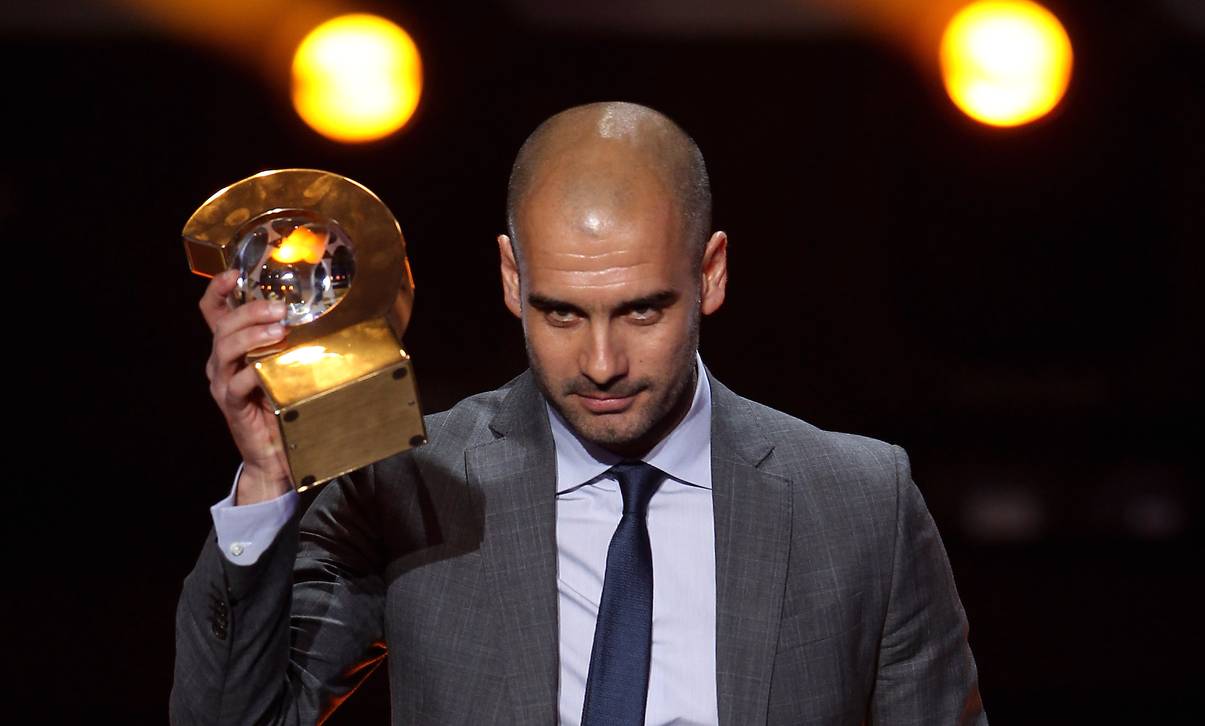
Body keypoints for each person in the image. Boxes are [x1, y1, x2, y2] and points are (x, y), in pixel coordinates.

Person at [172, 101, 986, 725]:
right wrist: (269, 478)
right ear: (510, 279)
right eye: (562, 313)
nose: (601, 364)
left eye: (641, 311)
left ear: (710, 274)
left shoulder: (859, 502)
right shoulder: (413, 485)